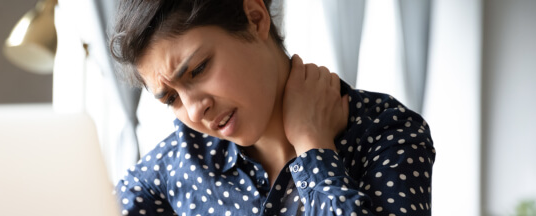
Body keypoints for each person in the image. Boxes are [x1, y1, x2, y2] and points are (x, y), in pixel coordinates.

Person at [109, 0, 436, 215]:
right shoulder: (180, 159)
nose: (194, 111)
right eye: (171, 98)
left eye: (198, 69)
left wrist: (313, 146)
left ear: (255, 17)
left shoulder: (387, 131)